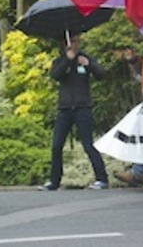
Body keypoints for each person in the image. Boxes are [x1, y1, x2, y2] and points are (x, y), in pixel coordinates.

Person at [39, 34, 108, 191]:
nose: (74, 45)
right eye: (71, 42)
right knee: (56, 146)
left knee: (88, 144)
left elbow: (101, 75)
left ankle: (102, 179)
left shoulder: (85, 58)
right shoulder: (59, 61)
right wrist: (68, 59)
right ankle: (54, 181)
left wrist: (89, 64)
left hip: (82, 107)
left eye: (76, 41)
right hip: (64, 108)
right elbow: (56, 75)